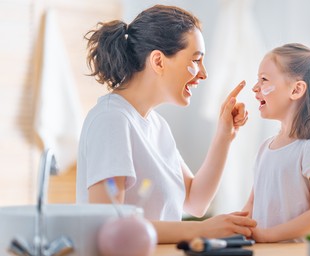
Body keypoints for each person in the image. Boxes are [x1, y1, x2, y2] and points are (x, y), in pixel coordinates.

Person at [76, 4, 256, 243]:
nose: (203, 74)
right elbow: (109, 225)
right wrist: (201, 230)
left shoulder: (156, 126)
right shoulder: (111, 121)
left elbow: (196, 201)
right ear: (159, 61)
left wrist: (225, 134)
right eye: (196, 60)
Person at [242, 43, 310, 243]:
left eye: (263, 80)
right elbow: (252, 204)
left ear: (297, 89)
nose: (255, 88)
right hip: (263, 254)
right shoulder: (265, 148)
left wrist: (266, 236)